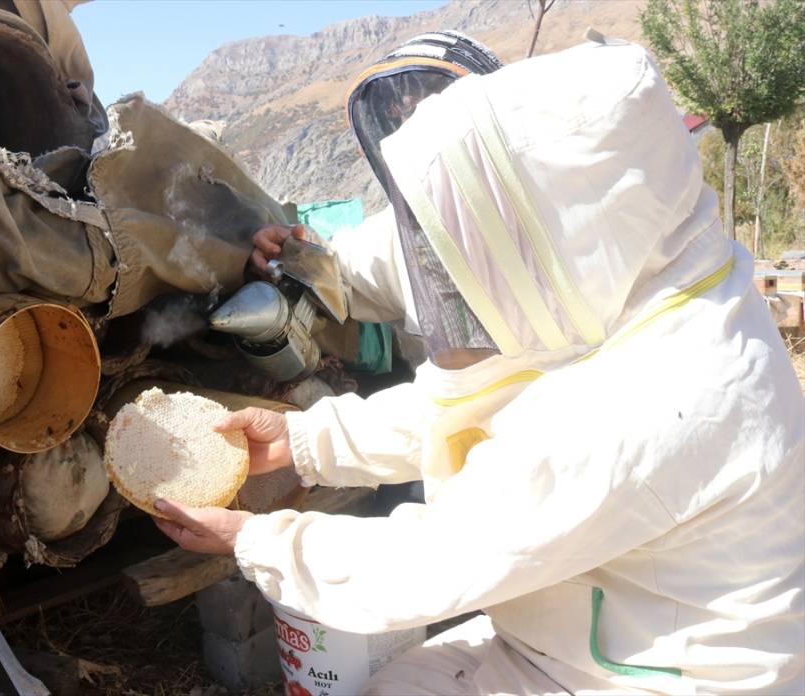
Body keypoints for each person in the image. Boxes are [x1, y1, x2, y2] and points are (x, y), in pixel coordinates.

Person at [153, 34, 805, 695]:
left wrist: (255, 542)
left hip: (674, 677)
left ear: (552, 212)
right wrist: (301, 441)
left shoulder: (668, 391)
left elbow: (441, 556)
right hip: (581, 631)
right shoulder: (641, 298)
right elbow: (469, 410)